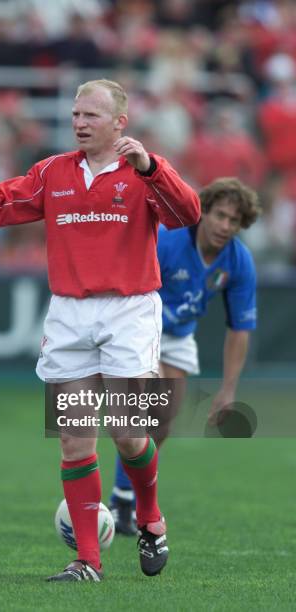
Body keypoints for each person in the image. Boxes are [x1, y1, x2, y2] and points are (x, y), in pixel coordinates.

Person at [0, 79, 200, 581]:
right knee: (74, 439)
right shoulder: (53, 172)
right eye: (75, 114)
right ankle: (87, 562)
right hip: (69, 314)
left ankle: (151, 518)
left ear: (119, 123)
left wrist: (152, 170)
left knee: (129, 433)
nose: (79, 123)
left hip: (130, 310)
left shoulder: (143, 170)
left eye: (91, 115)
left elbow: (187, 214)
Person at [110, 176, 260, 536]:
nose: (225, 226)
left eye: (233, 221)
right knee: (145, 403)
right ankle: (122, 501)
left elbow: (239, 329)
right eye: (219, 215)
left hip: (178, 336)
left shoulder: (239, 262)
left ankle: (123, 496)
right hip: (139, 324)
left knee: (162, 423)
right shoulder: (168, 238)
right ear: (203, 211)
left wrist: (227, 390)